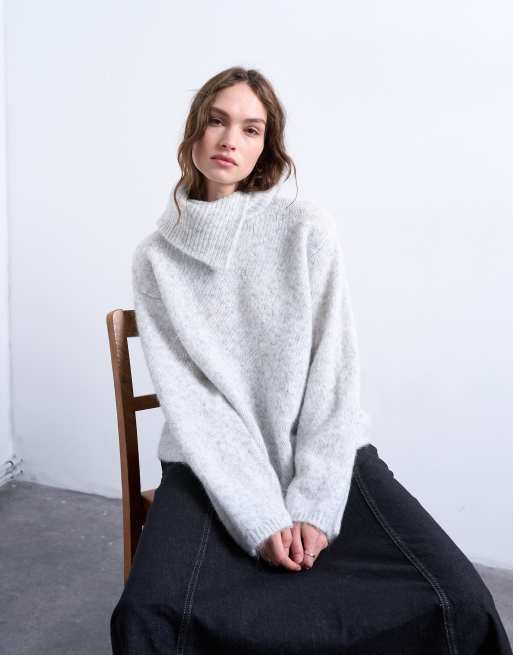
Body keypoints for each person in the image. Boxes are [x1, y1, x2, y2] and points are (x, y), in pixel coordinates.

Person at [110, 66, 512, 654]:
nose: (230, 140)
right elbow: (193, 401)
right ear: (194, 130)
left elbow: (333, 374)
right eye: (217, 121)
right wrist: (259, 514)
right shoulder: (154, 258)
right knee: (148, 614)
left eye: (251, 129)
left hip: (324, 453)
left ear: (265, 147)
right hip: (206, 462)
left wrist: (315, 504)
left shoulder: (304, 228)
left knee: (461, 602)